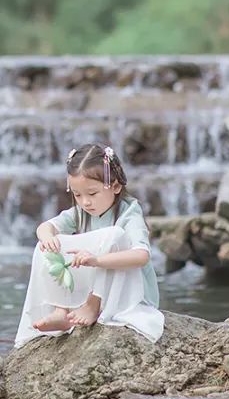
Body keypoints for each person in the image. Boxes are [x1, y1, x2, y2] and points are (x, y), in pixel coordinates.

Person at [14, 143, 163, 349]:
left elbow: (141, 256)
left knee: (113, 236)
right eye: (77, 194)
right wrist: (47, 237)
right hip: (95, 281)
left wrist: (97, 260)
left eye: (92, 194)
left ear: (116, 187)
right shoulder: (81, 212)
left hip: (127, 288)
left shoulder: (130, 214)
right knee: (48, 245)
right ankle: (60, 309)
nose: (85, 202)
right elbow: (46, 227)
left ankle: (93, 306)